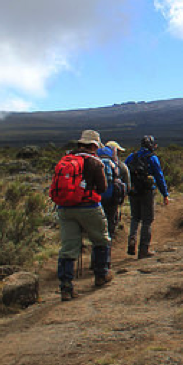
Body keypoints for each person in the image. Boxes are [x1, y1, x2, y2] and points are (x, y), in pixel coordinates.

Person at [49, 129, 113, 301]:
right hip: (89, 207)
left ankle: (66, 287)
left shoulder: (66, 159)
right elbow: (102, 188)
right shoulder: (94, 162)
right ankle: (101, 275)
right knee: (101, 239)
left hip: (64, 208)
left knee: (68, 248)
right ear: (94, 145)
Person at [125, 135, 170, 258]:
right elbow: (159, 177)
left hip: (133, 192)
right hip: (147, 192)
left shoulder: (131, 156)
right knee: (147, 220)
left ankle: (132, 240)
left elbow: (123, 172)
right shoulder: (153, 158)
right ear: (151, 145)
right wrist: (165, 194)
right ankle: (144, 249)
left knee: (135, 218)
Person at [96, 145, 126, 244]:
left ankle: (99, 239)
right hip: (111, 195)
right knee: (111, 217)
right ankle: (109, 240)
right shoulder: (113, 164)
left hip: (98, 196)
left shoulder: (95, 163)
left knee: (100, 218)